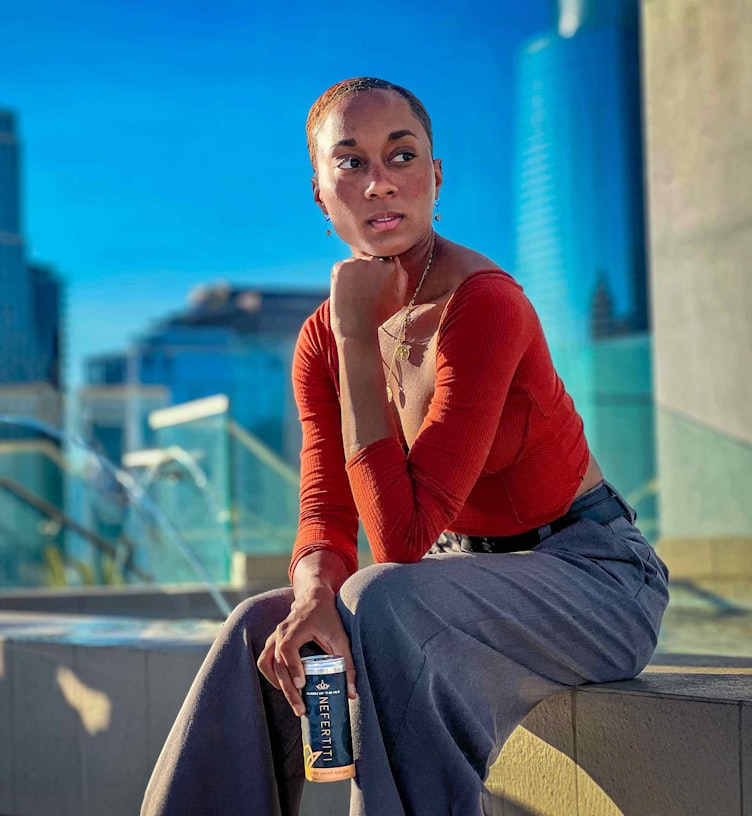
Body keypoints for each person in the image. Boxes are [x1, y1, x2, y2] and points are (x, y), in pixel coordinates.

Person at [141, 77, 669, 816]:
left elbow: (398, 540)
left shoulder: (484, 304)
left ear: (435, 176)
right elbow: (326, 506)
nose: (380, 182)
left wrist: (358, 338)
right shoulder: (318, 338)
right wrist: (313, 597)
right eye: (350, 163)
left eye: (402, 155)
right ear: (322, 195)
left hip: (593, 580)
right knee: (263, 630)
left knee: (380, 597)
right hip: (455, 583)